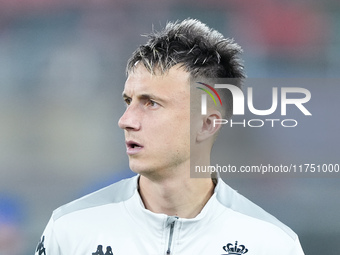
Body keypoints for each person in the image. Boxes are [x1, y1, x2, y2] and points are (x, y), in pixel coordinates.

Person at [35, 19, 305, 255]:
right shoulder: (70, 229)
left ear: (207, 124)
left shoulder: (271, 244)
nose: (125, 120)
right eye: (128, 101)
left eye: (151, 103)